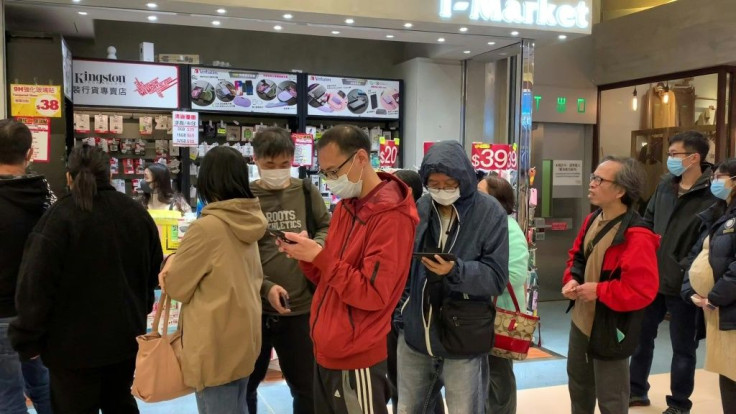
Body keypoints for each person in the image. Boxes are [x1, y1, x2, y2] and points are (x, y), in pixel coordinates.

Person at [9, 144, 162, 413]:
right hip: (124, 339)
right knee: (120, 402)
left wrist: (27, 339)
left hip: (69, 350)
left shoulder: (58, 219)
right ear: (110, 176)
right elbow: (152, 275)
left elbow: (35, 287)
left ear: (69, 177)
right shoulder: (136, 214)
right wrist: (139, 311)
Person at [277, 125, 419, 414]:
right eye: (325, 174)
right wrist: (308, 256)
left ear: (361, 158)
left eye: (334, 171)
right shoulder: (346, 208)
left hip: (358, 357)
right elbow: (329, 279)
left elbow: (372, 293)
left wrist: (321, 257)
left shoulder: (391, 217)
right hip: (327, 350)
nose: (331, 180)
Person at [397, 141, 509, 414]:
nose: (442, 189)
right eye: (434, 182)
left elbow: (496, 277)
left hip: (465, 334)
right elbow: (402, 268)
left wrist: (455, 270)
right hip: (416, 333)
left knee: (465, 408)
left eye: (449, 182)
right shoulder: (420, 208)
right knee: (409, 408)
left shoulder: (490, 212)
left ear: (465, 178)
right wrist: (401, 312)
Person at [159, 146, 268, 414]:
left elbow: (176, 286)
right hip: (244, 338)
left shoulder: (207, 228)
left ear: (207, 180)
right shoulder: (251, 219)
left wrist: (171, 262)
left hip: (214, 344)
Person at [629, 131, 717, 414]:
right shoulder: (666, 184)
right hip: (652, 276)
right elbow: (648, 221)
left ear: (694, 158)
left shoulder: (712, 193)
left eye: (674, 154)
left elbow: (708, 240)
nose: (669, 160)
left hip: (684, 283)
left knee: (683, 348)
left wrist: (686, 271)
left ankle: (679, 403)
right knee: (641, 339)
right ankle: (636, 390)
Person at [562, 156, 659, 414]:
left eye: (599, 179)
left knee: (612, 398)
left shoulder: (637, 235)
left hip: (611, 327)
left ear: (620, 190)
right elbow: (578, 257)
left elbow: (641, 291)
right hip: (582, 322)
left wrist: (599, 290)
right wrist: (572, 279)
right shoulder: (593, 219)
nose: (591, 183)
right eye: (593, 177)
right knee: (579, 390)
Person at [247, 127, 331, 414]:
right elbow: (234, 252)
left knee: (305, 387)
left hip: (302, 306)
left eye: (284, 164)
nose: (277, 171)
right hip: (254, 308)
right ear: (255, 159)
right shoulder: (246, 196)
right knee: (246, 385)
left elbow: (326, 226)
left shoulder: (306, 190)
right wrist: (264, 286)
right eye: (269, 165)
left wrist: (314, 245)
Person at [0, 119, 54, 414]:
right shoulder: (46, 197)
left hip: (1, 314)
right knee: (43, 386)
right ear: (30, 153)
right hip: (38, 310)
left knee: (7, 395)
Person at [387, 169, 445, 414]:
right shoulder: (395, 223)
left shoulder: (420, 227)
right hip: (398, 316)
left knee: (412, 388)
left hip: (412, 318)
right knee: (412, 388)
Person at [681, 159, 736, 414]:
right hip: (715, 312)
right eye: (713, 176)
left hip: (726, 308)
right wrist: (689, 289)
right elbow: (696, 254)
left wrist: (715, 297)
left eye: (721, 177)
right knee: (728, 372)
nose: (715, 182)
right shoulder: (718, 213)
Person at [478, 173, 528, 414]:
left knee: (499, 374)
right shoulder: (484, 225)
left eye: (480, 193)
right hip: (484, 314)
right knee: (486, 373)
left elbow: (516, 274)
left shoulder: (510, 228)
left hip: (502, 315)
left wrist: (478, 274)